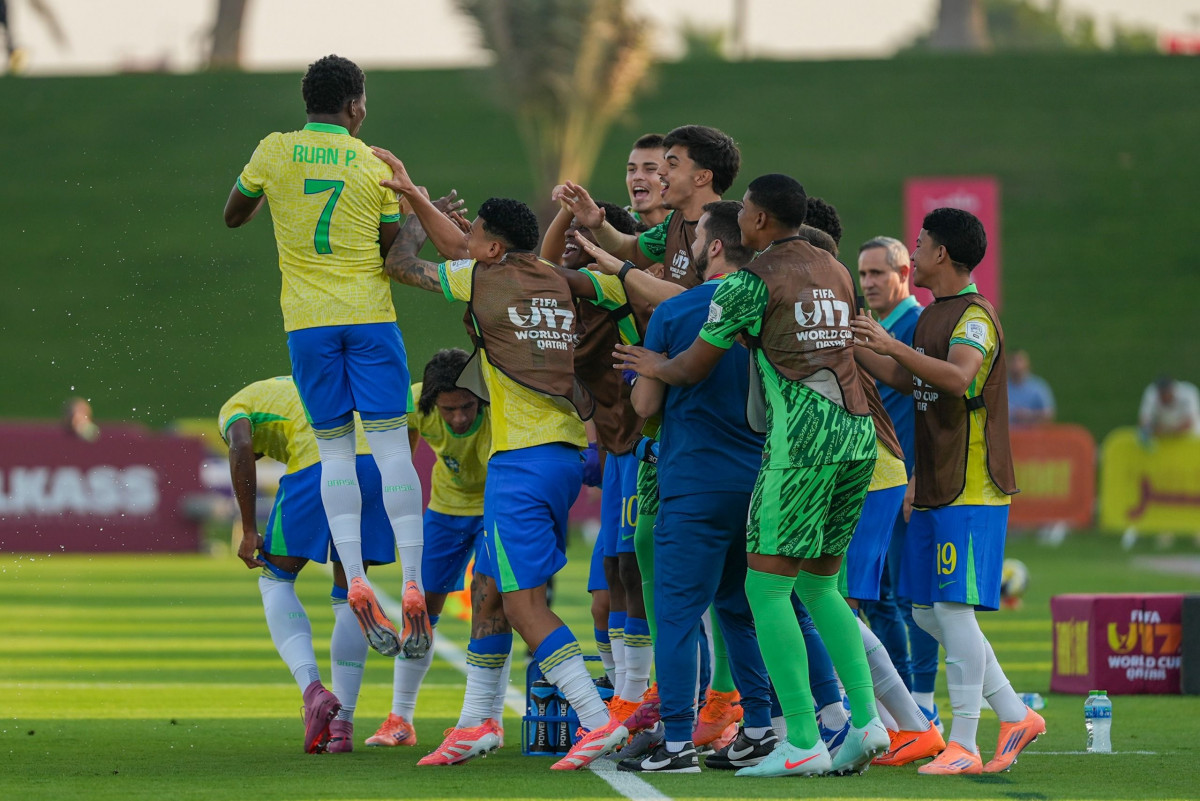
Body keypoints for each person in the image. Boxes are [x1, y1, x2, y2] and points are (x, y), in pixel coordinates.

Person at [616, 174, 889, 778]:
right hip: (857, 436)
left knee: (767, 591)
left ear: (760, 220)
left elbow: (692, 366)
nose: (737, 224)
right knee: (820, 588)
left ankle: (799, 739)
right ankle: (865, 721)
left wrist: (655, 363)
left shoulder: (748, 283)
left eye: (744, 216)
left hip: (800, 444)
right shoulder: (833, 269)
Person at [370, 147, 626, 771]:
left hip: (520, 462)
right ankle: (477, 722)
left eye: (475, 233)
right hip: (565, 453)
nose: (467, 242)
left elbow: (404, 265)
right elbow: (609, 285)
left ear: (490, 247)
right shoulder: (555, 277)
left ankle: (596, 721)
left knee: (521, 604)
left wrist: (408, 202)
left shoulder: (481, 278)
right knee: (488, 592)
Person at [222, 54, 430, 661]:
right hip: (371, 320)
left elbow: (234, 214)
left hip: (308, 327)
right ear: (356, 106)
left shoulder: (274, 151)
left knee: (335, 450)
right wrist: (416, 215)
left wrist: (277, 199)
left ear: (306, 102)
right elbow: (397, 256)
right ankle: (411, 579)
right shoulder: (373, 163)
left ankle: (356, 581)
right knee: (390, 448)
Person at [577, 201, 776, 773]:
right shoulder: (769, 309)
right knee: (740, 608)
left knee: (679, 612)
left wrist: (648, 371)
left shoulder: (678, 311)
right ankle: (757, 728)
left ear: (713, 246)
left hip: (693, 483)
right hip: (759, 480)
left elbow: (644, 406)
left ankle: (679, 741)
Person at [852, 207, 1045, 775]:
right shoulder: (935, 316)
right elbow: (902, 379)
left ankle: (963, 742)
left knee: (952, 612)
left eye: (921, 242)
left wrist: (890, 347)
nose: (915, 248)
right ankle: (1014, 712)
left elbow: (958, 379)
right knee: (926, 613)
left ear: (939, 254)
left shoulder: (976, 319)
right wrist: (850, 342)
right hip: (935, 482)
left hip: (972, 486)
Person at [219, 376, 394, 754]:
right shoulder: (292, 388)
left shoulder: (234, 408)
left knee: (276, 579)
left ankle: (314, 692)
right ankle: (342, 728)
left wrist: (248, 529)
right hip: (374, 465)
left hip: (320, 463)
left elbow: (242, 447)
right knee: (351, 588)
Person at [367, 349, 500, 748]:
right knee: (419, 609)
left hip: (496, 507)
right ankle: (400, 720)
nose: (458, 418)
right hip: (445, 509)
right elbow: (400, 459)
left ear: (480, 396)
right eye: (448, 409)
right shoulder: (415, 403)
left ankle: (488, 720)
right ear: (432, 403)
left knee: (493, 606)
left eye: (467, 407)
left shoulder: (499, 396)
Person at [856, 235, 943, 732]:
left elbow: (931, 408)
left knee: (912, 598)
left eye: (877, 274)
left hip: (905, 482)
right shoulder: (876, 329)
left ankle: (921, 699)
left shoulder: (917, 326)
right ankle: (897, 699)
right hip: (871, 480)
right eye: (862, 274)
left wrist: (918, 473)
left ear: (904, 274)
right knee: (878, 595)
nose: (868, 283)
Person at [557, 124, 741, 290]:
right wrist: (598, 225)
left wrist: (623, 270)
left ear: (702, 177)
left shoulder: (730, 229)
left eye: (672, 165)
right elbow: (633, 252)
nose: (661, 172)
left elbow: (696, 301)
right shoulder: (674, 221)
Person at [626, 133, 669, 228]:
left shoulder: (699, 228)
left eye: (650, 169)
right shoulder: (611, 227)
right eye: (631, 169)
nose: (636, 177)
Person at [1138, 375, 1199, 439]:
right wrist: (1148, 430)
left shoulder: (1188, 392)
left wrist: (1167, 431)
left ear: (1171, 390)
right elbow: (1144, 420)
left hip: (1191, 433)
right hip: (1162, 435)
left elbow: (1190, 422)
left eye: (1165, 395)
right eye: (1161, 395)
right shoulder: (1151, 393)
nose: (1163, 398)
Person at [1008, 350, 1056, 425]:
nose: (1016, 364)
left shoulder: (1039, 387)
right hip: (1009, 434)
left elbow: (1049, 414)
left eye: (1019, 360)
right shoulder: (1002, 388)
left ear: (1027, 364)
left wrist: (1028, 415)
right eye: (1013, 360)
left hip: (1032, 434)